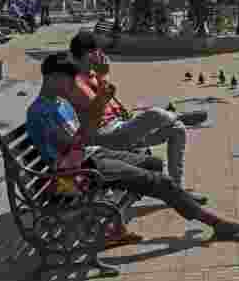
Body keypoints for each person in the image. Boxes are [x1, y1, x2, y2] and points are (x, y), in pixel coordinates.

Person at [27, 53, 239, 242]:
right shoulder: (40, 112)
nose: (73, 86)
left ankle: (118, 225)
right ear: (54, 78)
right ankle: (216, 223)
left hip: (89, 156)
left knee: (153, 163)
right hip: (76, 172)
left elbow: (83, 138)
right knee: (160, 181)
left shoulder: (60, 104)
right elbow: (72, 145)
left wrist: (100, 108)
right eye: (70, 80)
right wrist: (97, 107)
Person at [64, 32, 208, 204]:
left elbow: (109, 104)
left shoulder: (91, 74)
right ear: (88, 54)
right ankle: (178, 116)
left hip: (120, 129)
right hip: (106, 138)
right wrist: (104, 76)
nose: (101, 56)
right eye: (97, 52)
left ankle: (177, 192)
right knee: (157, 114)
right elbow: (97, 113)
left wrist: (120, 107)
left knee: (177, 130)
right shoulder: (76, 82)